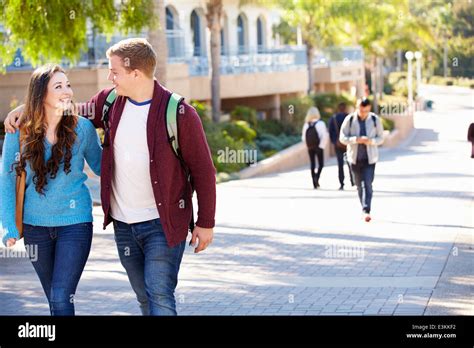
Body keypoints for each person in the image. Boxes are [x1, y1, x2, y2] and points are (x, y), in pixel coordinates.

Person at [4, 38, 217, 316]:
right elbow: (69, 111)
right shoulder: (109, 102)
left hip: (162, 223)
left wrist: (206, 223)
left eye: (114, 71)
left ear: (135, 73)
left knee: (160, 293)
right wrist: (27, 109)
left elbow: (204, 171)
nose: (108, 76)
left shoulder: (179, 113)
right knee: (144, 296)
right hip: (125, 225)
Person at [0, 64, 102, 315]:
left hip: (75, 224)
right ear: (40, 94)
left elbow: (102, 168)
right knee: (55, 300)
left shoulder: (83, 129)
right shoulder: (20, 130)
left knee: (60, 297)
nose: (67, 91)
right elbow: (6, 178)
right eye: (58, 86)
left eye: (68, 85)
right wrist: (9, 226)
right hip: (36, 229)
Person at [339, 98, 384, 222]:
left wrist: (371, 141)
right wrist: (355, 140)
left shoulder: (375, 120)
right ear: (357, 107)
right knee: (359, 185)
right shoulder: (350, 119)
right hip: (354, 158)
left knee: (368, 184)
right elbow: (342, 137)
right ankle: (364, 207)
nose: (363, 113)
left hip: (370, 158)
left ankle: (366, 209)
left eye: (366, 111)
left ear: (369, 109)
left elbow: (381, 138)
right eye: (361, 110)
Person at [302, 106, 329, 189]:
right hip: (319, 146)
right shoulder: (320, 123)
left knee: (312, 164)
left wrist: (308, 145)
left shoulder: (306, 124)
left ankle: (314, 182)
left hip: (310, 147)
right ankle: (316, 177)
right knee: (321, 164)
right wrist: (321, 146)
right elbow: (324, 136)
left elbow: (303, 137)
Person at [328, 102, 349, 190]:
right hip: (348, 143)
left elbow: (330, 131)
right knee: (350, 162)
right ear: (345, 108)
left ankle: (342, 183)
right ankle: (353, 181)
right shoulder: (348, 117)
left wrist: (334, 141)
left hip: (338, 144)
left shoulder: (333, 118)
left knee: (340, 164)